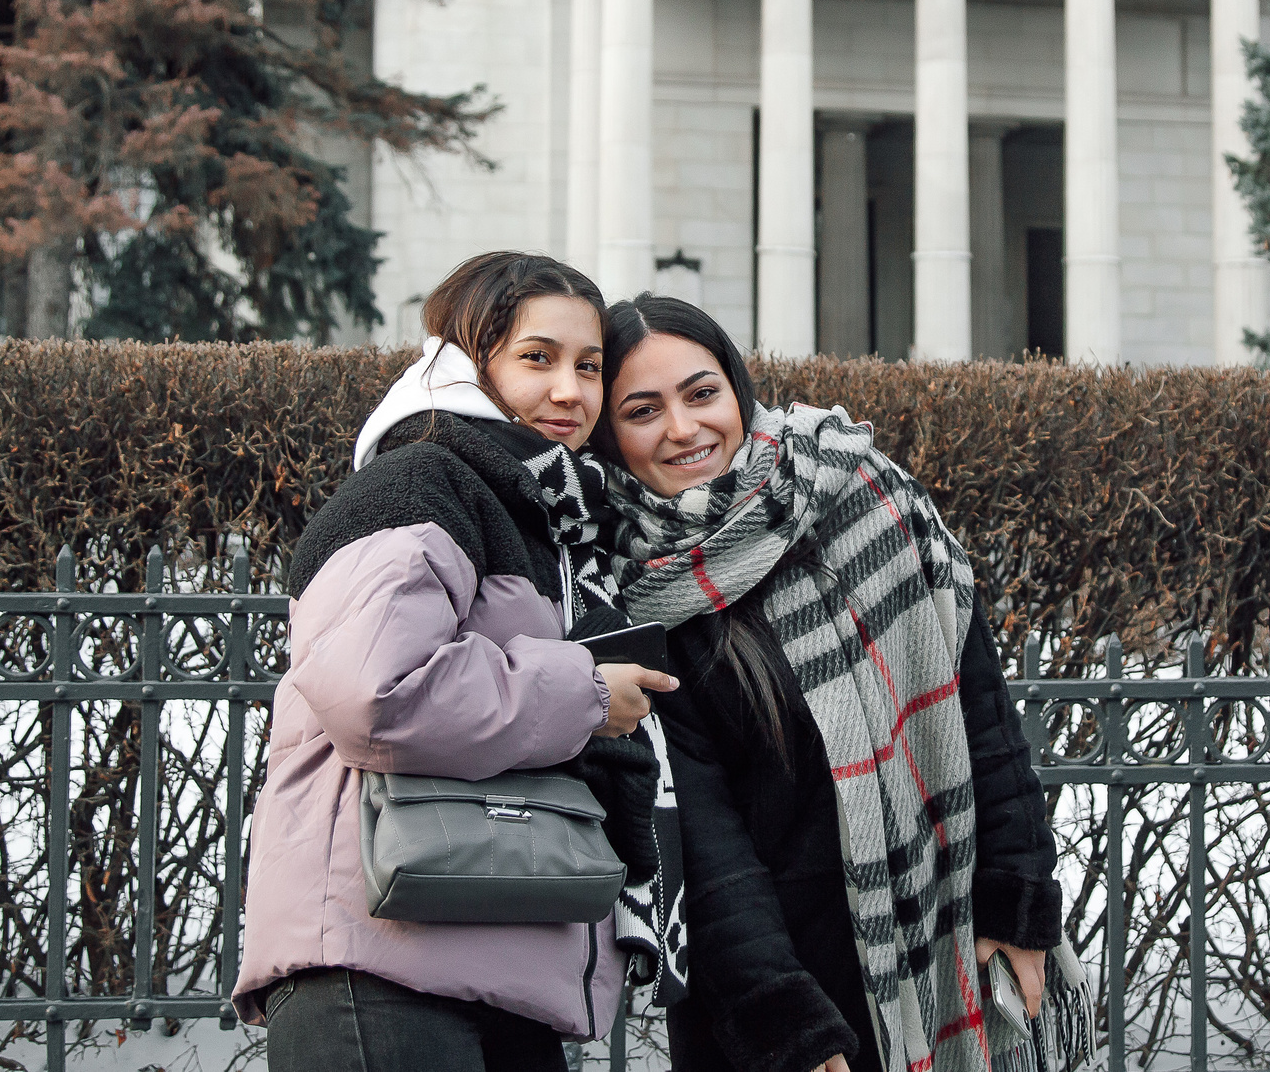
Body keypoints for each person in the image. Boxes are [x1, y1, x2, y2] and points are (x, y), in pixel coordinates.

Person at [592, 293, 1063, 1072]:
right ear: (612, 434)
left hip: (941, 947)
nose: (683, 427)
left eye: (702, 392)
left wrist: (1016, 900)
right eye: (643, 409)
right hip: (775, 999)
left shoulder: (862, 492)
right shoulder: (635, 591)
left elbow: (980, 708)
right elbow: (704, 850)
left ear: (736, 389)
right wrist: (792, 1029)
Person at [236, 252, 681, 1072]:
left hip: (491, 946)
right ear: (469, 360)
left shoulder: (545, 517)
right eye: (537, 357)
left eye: (589, 367)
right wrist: (585, 691)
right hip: (380, 955)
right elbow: (379, 692)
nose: (571, 392)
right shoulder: (422, 478)